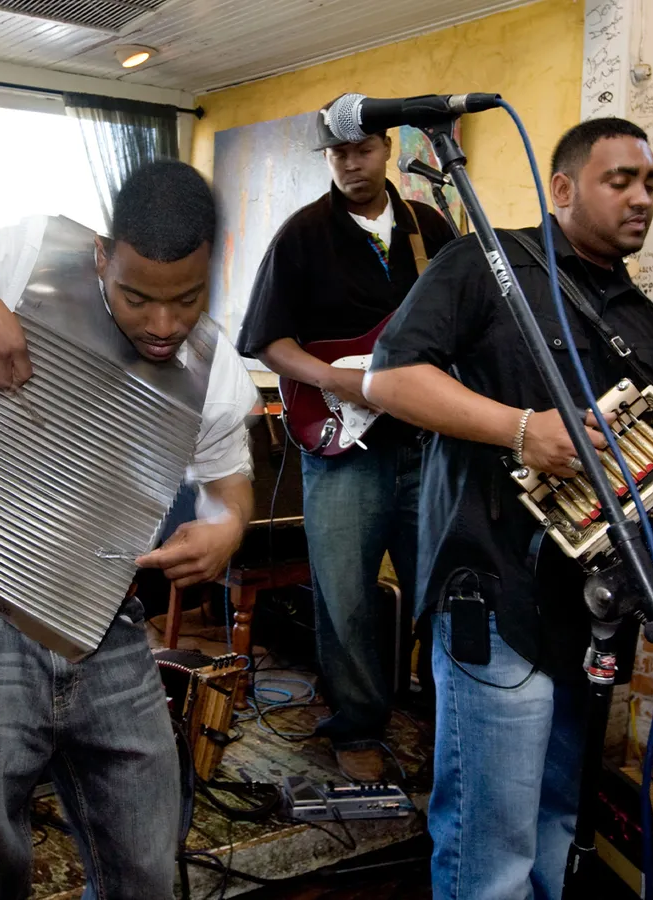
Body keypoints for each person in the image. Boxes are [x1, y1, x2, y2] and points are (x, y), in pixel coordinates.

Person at [363, 118, 653, 899]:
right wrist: (522, 430)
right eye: (618, 179)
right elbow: (390, 381)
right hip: (491, 599)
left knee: (557, 826)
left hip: (592, 617)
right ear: (562, 189)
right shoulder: (482, 266)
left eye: (651, 183)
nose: (641, 198)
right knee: (491, 854)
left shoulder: (644, 326)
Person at [0, 159, 258, 899]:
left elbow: (230, 479)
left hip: (105, 618)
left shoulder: (214, 365)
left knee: (147, 855)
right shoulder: (31, 260)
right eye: (137, 296)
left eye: (187, 299)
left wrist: (226, 528)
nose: (163, 325)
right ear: (103, 256)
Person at [234, 98, 456, 780]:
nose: (351, 162)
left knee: (442, 588)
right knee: (346, 594)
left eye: (361, 149)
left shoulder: (431, 227)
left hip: (427, 443)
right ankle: (357, 721)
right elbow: (266, 342)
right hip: (343, 442)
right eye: (337, 153)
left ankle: (446, 715)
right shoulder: (301, 236)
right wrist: (339, 380)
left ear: (387, 147)